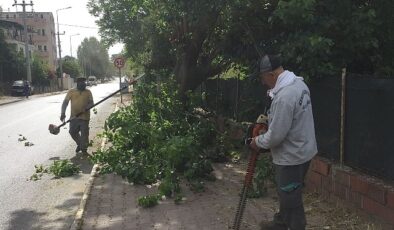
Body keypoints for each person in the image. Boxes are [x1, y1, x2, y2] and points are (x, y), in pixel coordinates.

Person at [250, 54, 317, 230]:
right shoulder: (299, 84)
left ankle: (295, 226)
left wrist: (257, 141)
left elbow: (276, 136)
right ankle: (280, 224)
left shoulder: (285, 96)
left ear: (271, 74)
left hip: (291, 157)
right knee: (288, 191)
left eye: (263, 78)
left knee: (291, 198)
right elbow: (289, 120)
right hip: (304, 150)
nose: (263, 82)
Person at [60, 77, 94, 154]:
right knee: (72, 132)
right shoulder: (71, 91)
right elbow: (65, 103)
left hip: (85, 117)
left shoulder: (88, 92)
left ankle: (84, 150)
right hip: (74, 117)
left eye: (84, 82)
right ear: (77, 83)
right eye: (81, 82)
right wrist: (63, 113)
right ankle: (80, 144)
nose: (83, 84)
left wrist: (87, 108)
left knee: (84, 134)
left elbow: (91, 103)